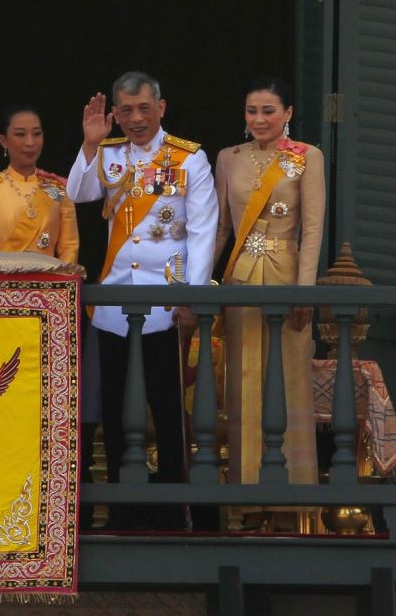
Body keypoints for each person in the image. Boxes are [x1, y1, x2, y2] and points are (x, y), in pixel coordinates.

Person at [66, 71, 218, 529]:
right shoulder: (109, 156)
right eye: (126, 110)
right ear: (115, 112)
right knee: (114, 411)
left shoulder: (189, 159)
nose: (135, 118)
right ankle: (123, 513)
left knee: (168, 410)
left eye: (143, 108)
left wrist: (191, 297)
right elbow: (78, 193)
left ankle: (174, 513)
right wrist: (91, 144)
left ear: (161, 107)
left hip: (166, 303)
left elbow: (203, 231)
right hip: (114, 306)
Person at [214, 77, 324, 489]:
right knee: (242, 383)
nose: (259, 119)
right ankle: (244, 495)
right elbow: (223, 227)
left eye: (269, 111)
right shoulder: (228, 157)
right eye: (252, 111)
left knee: (287, 382)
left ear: (288, 114)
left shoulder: (307, 157)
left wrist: (305, 290)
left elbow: (312, 230)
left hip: (287, 277)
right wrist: (198, 283)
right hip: (240, 279)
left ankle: (290, 498)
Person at [0, 106, 79, 264]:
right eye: (20, 134)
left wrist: (58, 284)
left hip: (46, 286)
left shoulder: (58, 189)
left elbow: (69, 248)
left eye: (37, 134)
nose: (30, 142)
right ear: (3, 141)